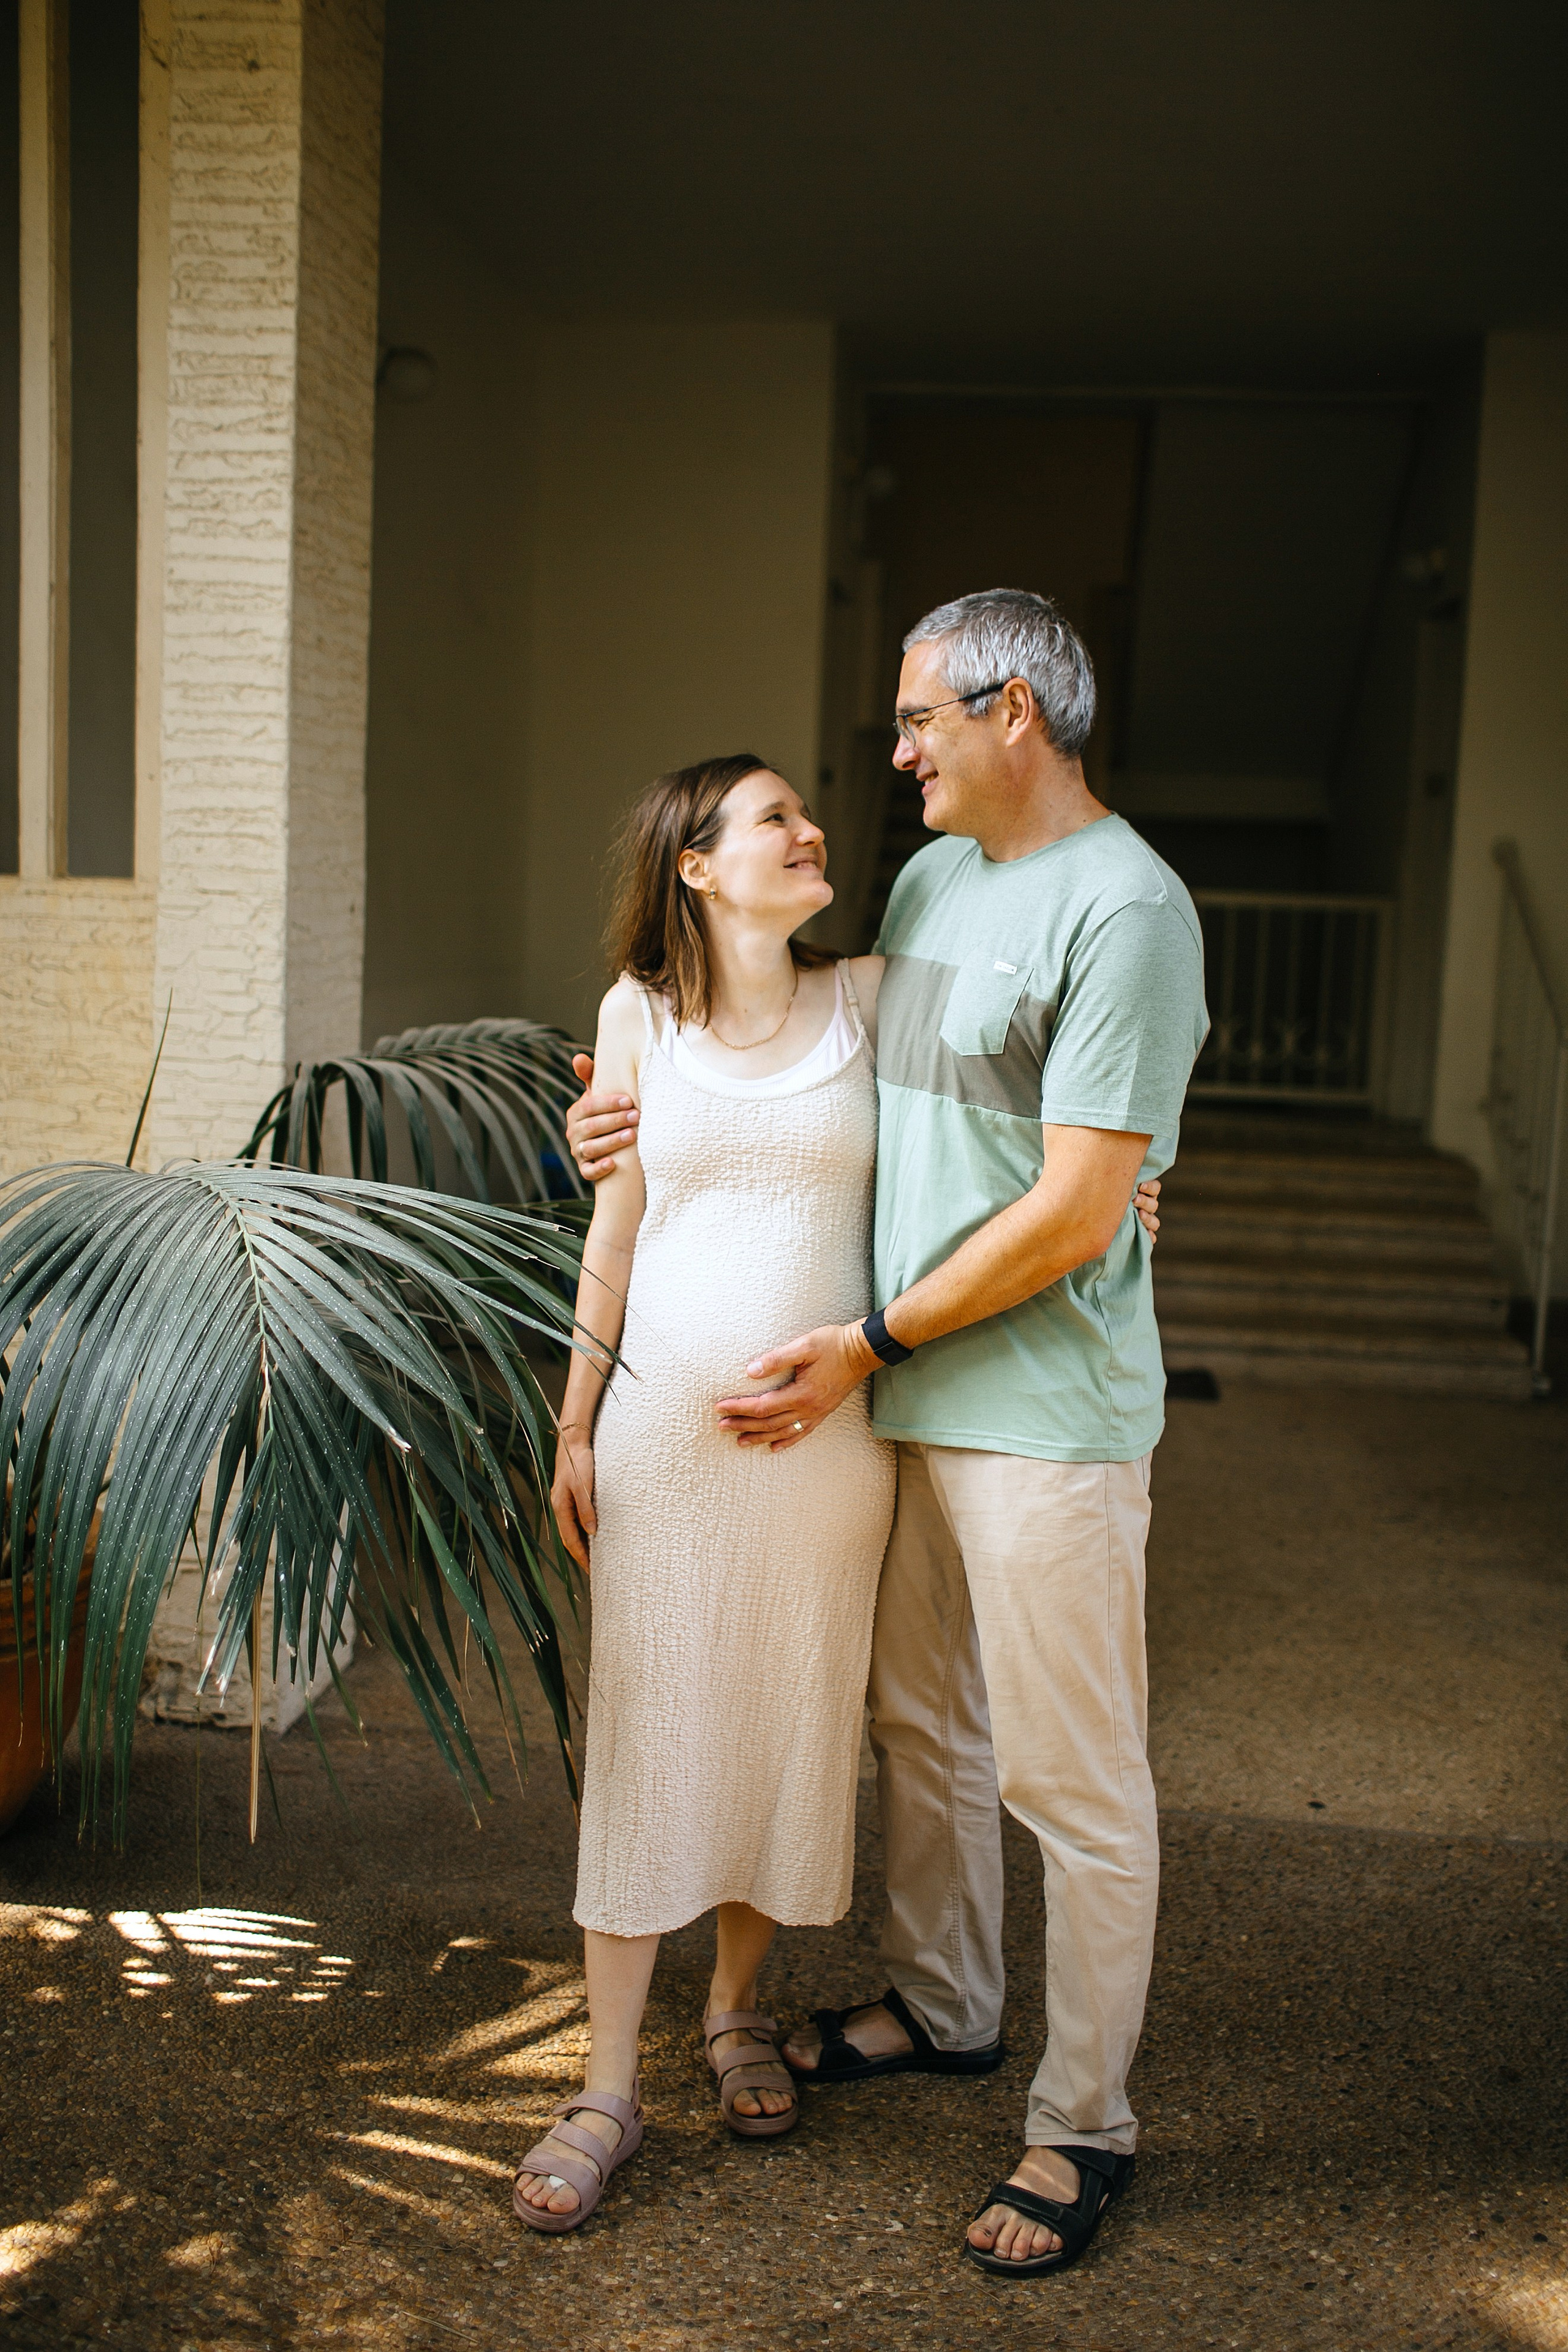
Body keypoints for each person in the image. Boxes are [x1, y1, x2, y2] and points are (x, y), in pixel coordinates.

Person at [567, 587, 1206, 2280]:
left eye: (921, 719)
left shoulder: (1131, 909)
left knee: (1078, 1783)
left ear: (1015, 713)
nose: (896, 749)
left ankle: (1084, 2124)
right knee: (926, 1726)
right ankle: (949, 2006)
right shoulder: (932, 883)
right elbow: (833, 1059)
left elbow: (1075, 1205)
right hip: (911, 1397)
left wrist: (878, 1331)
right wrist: (623, 1093)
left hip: (1039, 1410)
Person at [512, 754, 899, 2234]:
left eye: (808, 816)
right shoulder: (635, 1016)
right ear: (693, 864)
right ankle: (605, 2084)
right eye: (770, 818)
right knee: (648, 1731)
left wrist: (1128, 1172)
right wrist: (572, 1425)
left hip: (826, 1459)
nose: (807, 832)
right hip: (661, 1450)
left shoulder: (868, 996)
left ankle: (733, 2012)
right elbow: (615, 1230)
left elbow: (1043, 1073)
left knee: (781, 1725)